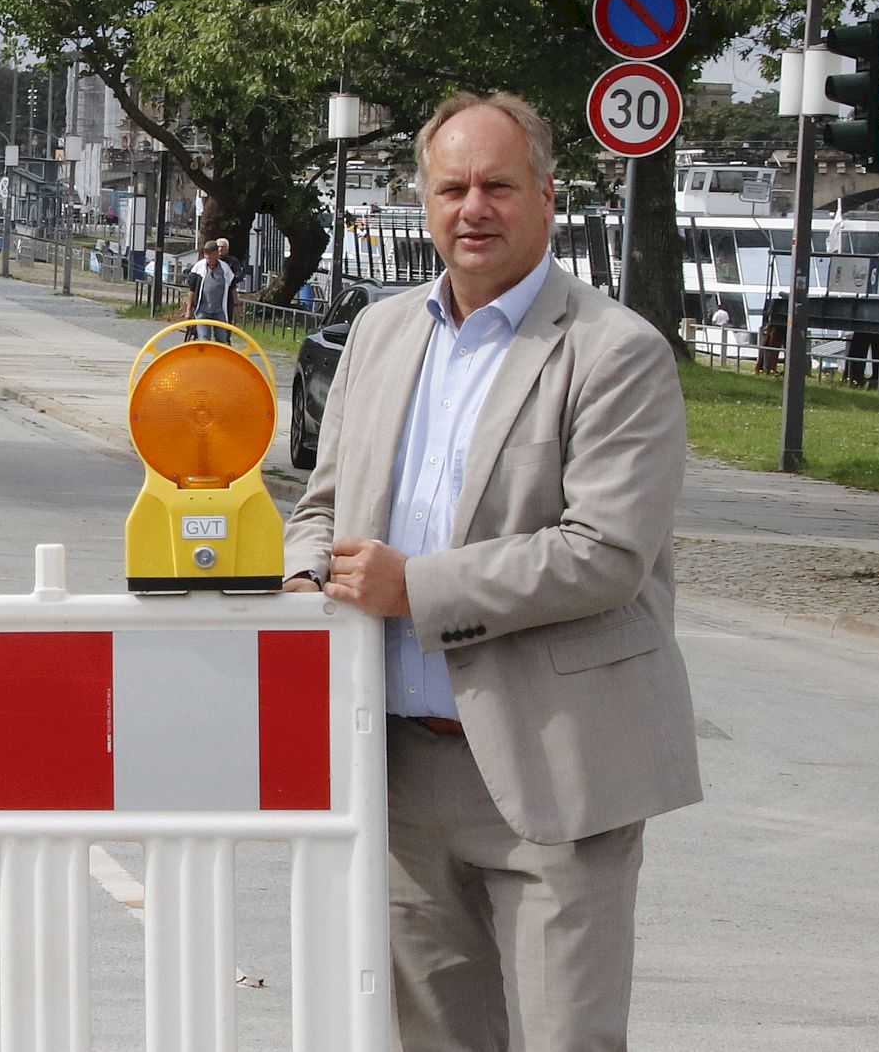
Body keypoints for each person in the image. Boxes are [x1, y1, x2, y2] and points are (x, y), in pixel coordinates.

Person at [283, 91, 697, 1051]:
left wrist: (413, 589)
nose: (474, 207)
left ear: (547, 198)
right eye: (452, 186)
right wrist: (311, 579)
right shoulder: (380, 335)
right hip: (396, 770)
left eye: (499, 186)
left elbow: (607, 555)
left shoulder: (616, 351)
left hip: (552, 768)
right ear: (423, 202)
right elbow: (320, 508)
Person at [182, 237, 236, 341]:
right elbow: (192, 290)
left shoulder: (225, 268)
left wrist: (236, 303)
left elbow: (232, 286)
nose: (209, 260)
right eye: (206, 257)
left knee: (222, 339)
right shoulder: (198, 268)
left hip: (219, 310)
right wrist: (188, 310)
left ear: (216, 254)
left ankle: (219, 357)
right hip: (202, 310)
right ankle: (204, 356)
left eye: (211, 257)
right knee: (204, 338)